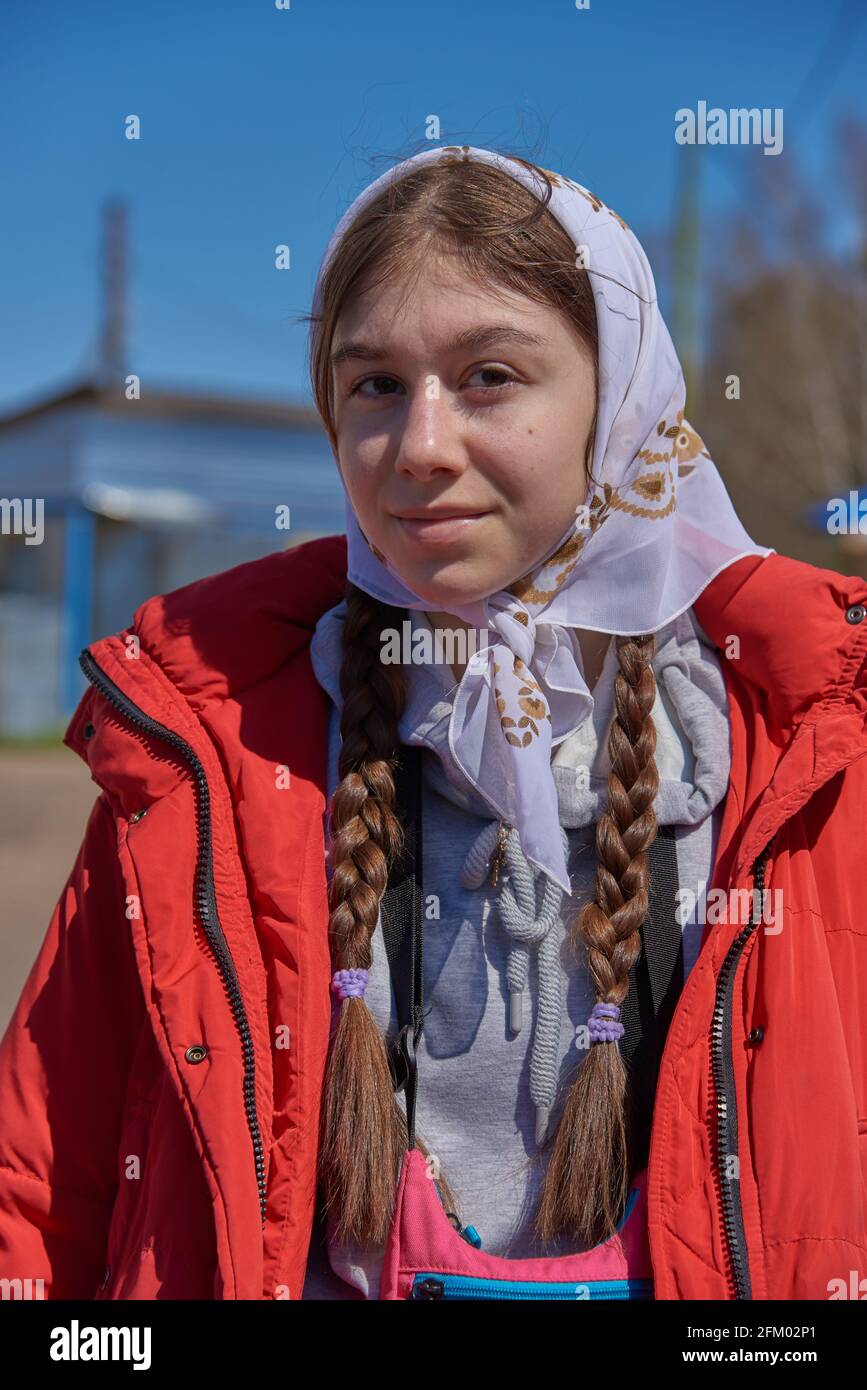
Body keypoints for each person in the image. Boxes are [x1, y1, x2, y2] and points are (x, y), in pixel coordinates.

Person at [1, 145, 865, 1302]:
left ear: (621, 400)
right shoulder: (208, 759)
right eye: (374, 386)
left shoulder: (806, 759)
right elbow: (44, 1187)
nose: (420, 447)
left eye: (491, 375)